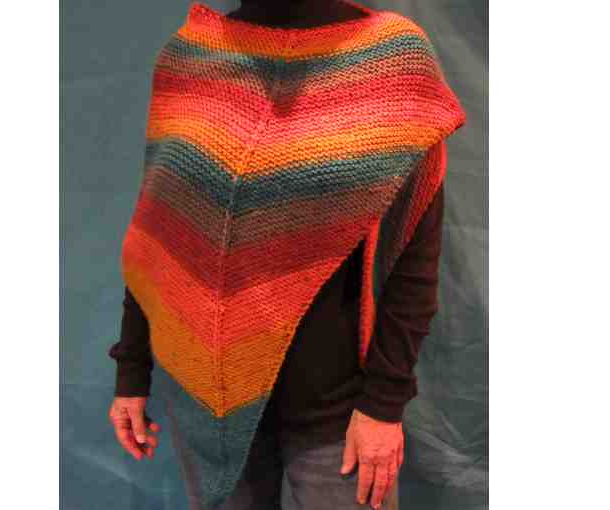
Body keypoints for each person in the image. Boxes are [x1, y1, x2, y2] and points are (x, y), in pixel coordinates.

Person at [106, 1, 464, 509]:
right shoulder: (192, 59)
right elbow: (161, 239)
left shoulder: (392, 61)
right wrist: (131, 369)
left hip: (336, 411)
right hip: (204, 398)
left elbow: (414, 259)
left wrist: (384, 405)